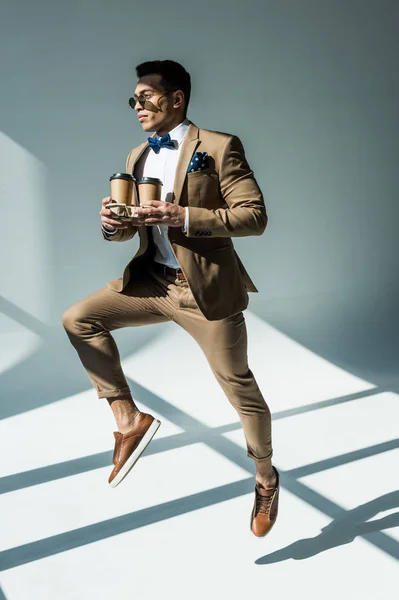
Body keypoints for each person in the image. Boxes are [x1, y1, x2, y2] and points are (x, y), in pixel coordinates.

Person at [62, 59, 279, 537]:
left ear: (176, 98)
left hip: (204, 292)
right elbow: (130, 232)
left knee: (239, 388)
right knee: (79, 319)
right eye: (133, 99)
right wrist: (112, 225)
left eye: (146, 97)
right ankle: (128, 420)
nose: (137, 106)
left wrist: (183, 214)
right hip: (153, 284)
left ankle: (265, 476)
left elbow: (254, 216)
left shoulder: (219, 147)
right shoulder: (136, 155)